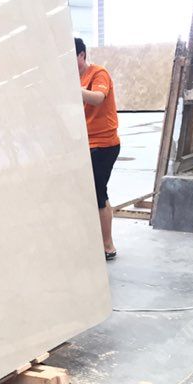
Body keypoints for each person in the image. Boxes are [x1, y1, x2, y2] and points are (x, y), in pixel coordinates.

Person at [76, 38, 120, 261]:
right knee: (91, 193)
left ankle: (108, 246)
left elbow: (98, 98)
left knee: (98, 193)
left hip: (104, 145)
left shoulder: (98, 74)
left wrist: (73, 89)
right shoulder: (73, 78)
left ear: (82, 55)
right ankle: (96, 241)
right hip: (84, 144)